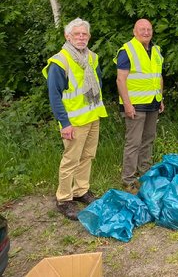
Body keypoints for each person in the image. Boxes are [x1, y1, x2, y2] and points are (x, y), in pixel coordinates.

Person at [43, 18, 107, 220]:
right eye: (77, 34)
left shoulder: (91, 58)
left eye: (84, 34)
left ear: (88, 36)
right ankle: (63, 199)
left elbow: (98, 84)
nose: (81, 37)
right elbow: (54, 96)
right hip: (73, 122)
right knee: (70, 160)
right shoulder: (60, 61)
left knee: (87, 156)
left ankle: (81, 190)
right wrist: (65, 123)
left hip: (92, 116)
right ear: (67, 36)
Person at [116, 19, 164, 194]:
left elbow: (158, 76)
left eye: (149, 29)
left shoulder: (156, 50)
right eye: (142, 29)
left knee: (148, 139)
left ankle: (145, 173)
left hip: (152, 102)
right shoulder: (127, 50)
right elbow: (120, 79)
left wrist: (160, 98)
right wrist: (127, 104)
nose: (146, 32)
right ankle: (128, 179)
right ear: (134, 32)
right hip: (135, 105)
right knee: (133, 142)